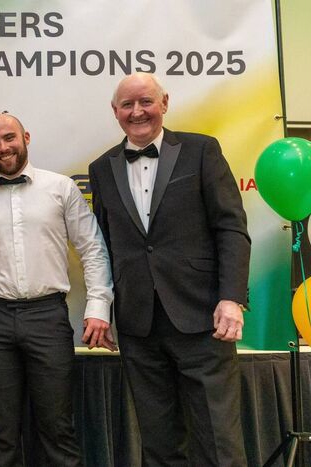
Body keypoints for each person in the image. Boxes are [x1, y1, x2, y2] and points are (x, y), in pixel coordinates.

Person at [88, 72, 250, 466]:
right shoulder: (101, 167)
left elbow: (230, 227)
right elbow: (105, 248)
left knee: (218, 439)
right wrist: (104, 310)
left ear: (165, 102)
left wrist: (231, 298)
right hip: (137, 325)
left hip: (202, 316)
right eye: (127, 105)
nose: (137, 111)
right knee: (158, 444)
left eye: (145, 101)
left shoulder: (201, 150)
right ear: (115, 111)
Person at [0, 114, 114, 466]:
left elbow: (92, 248)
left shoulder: (61, 188)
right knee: (2, 432)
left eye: (9, 138)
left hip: (47, 316)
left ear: (26, 137)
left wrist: (98, 308)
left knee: (57, 428)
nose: (3, 148)